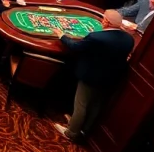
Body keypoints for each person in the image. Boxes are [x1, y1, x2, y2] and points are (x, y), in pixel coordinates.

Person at [52, 10, 135, 143]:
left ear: (106, 21)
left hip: (91, 76)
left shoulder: (96, 37)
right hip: (111, 77)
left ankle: (71, 132)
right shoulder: (129, 39)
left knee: (81, 104)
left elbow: (75, 47)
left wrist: (62, 35)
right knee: (95, 104)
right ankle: (84, 129)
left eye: (103, 19)